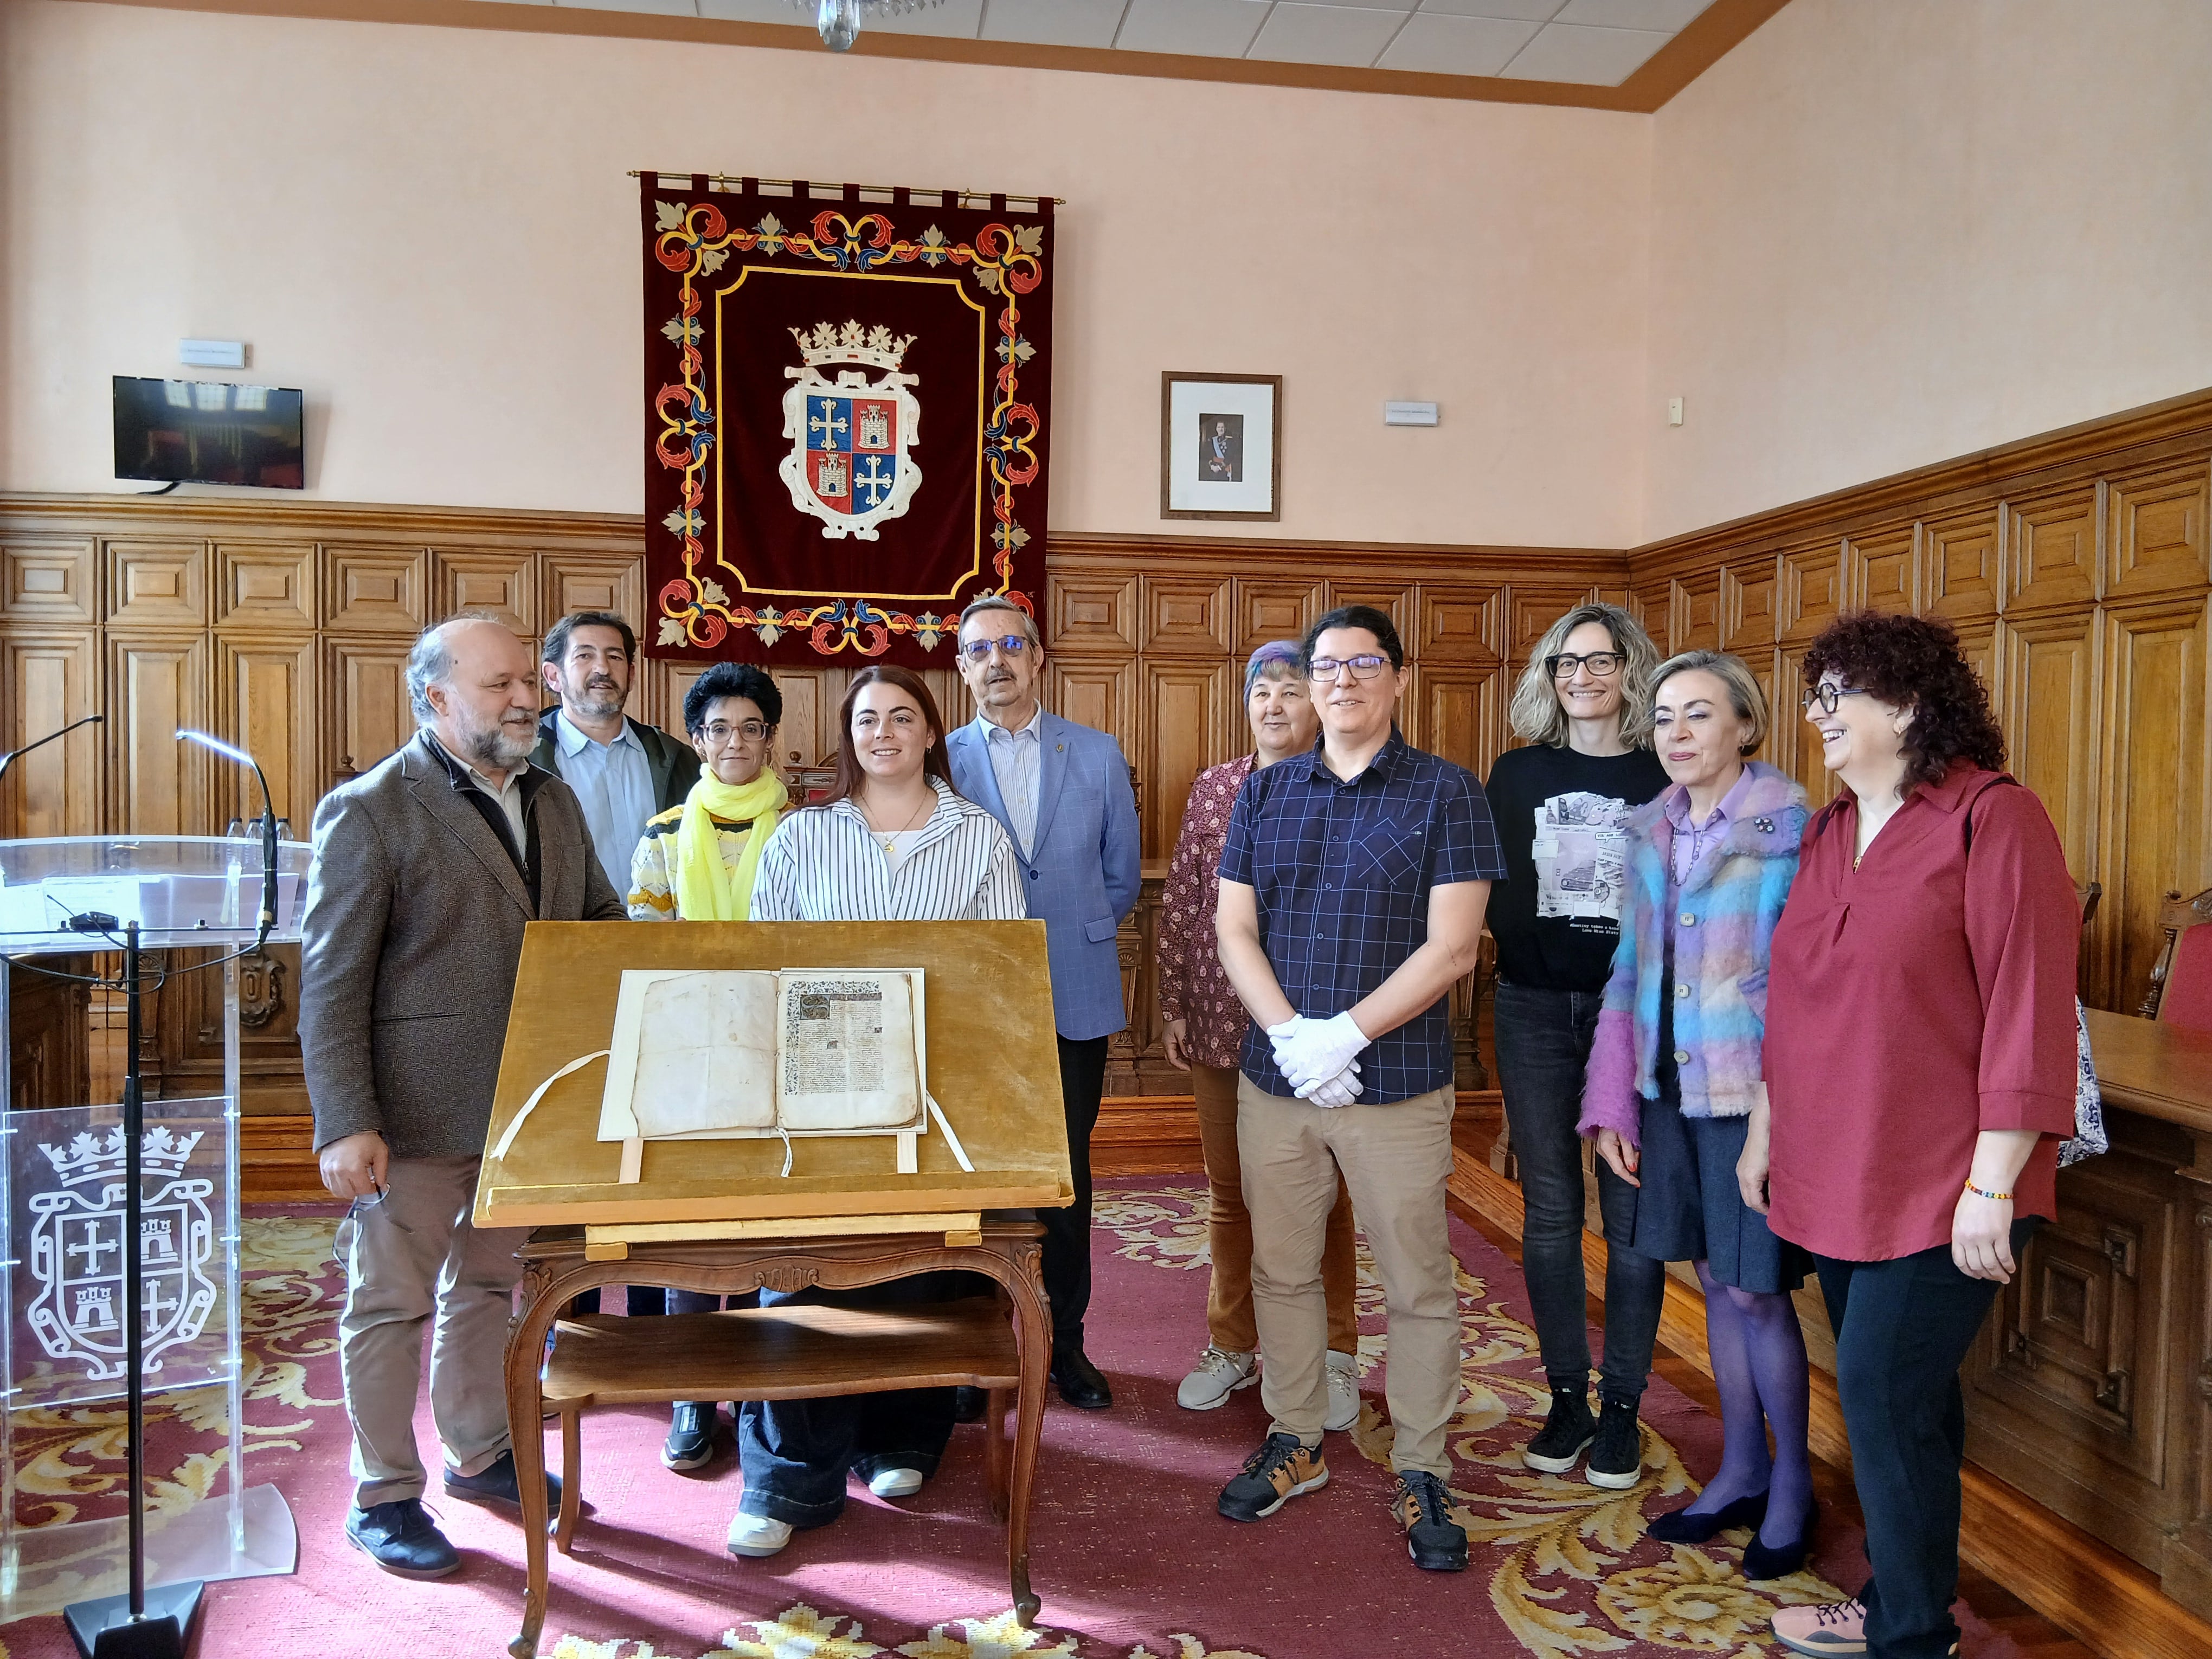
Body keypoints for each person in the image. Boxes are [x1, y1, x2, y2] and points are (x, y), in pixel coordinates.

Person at [1750, 613, 2079, 1659]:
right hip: (1837, 1166)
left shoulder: (1995, 817)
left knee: (1883, 1400)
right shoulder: (1829, 832)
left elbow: (2030, 1008)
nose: (1817, 717)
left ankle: (1907, 1635)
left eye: (1836, 694)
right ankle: (1909, 1600)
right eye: (1813, 698)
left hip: (1949, 1181)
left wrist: (1993, 1185)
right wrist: (1767, 1129)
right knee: (1911, 1402)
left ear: (1908, 701)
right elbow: (1793, 1001)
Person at [300, 614, 626, 1580]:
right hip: (411, 1117)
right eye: (501, 685)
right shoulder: (370, 810)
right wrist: (344, 1118)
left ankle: (479, 1454)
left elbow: (597, 919)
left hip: (530, 1110)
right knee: (391, 1305)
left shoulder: (553, 800)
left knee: (488, 1289)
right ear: (435, 697)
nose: (529, 696)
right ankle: (386, 1494)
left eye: (531, 679)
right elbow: (330, 980)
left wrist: (666, 954)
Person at [1212, 603, 1503, 1574]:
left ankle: (1421, 1461)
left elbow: (1454, 947)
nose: (1340, 680)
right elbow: (1235, 930)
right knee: (1282, 1270)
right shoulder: (1266, 793)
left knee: (1418, 1284)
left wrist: (1347, 1034)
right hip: (1279, 1082)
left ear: (1397, 678)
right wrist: (1293, 1036)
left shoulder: (1447, 793)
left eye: (1362, 663)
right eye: (1324, 665)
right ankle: (1297, 1438)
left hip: (1401, 1084)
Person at [725, 665, 1026, 1560]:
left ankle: (905, 1435)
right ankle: (789, 1476)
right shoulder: (802, 837)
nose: (884, 732)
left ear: (933, 732)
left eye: (902, 717)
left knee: (921, 1266)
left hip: (937, 1091)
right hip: (818, 1094)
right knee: (804, 1270)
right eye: (866, 720)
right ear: (847, 736)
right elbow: (760, 966)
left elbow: (1005, 972)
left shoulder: (980, 839)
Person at [1574, 651, 1816, 1575]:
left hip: (1749, 1093)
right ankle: (1741, 1472)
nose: (1676, 734)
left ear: (1745, 728)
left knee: (1757, 1288)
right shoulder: (1648, 832)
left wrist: (1776, 1112)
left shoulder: (1793, 832)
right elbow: (1629, 974)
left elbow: (1805, 992)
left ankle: (1792, 1483)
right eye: (1665, 718)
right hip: (1665, 1087)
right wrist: (1610, 1104)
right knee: (1713, 1282)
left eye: (1699, 716)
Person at [1482, 601, 1671, 1488]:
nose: (1581, 677)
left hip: (1631, 1014)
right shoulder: (1516, 772)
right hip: (1530, 1008)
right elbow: (1484, 891)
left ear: (1631, 671)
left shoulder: (1664, 773)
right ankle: (1567, 1396)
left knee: (1630, 1209)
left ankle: (1624, 1405)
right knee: (1551, 1207)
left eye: (1599, 662)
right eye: (1566, 663)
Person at [944, 594, 1140, 1410]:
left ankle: (1069, 1344)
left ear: (1039, 659)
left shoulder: (1095, 754)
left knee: (1064, 1176)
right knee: (971, 1178)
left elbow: (1122, 876)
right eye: (979, 649)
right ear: (961, 667)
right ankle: (973, 1347)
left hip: (1073, 988)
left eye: (1012, 645)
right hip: (969, 999)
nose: (997, 661)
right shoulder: (938, 756)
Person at [1160, 641, 1363, 1429]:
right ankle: (1232, 1343)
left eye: (1290, 690)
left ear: (1318, 703)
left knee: (1326, 1196)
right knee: (1231, 1193)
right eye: (1262, 693)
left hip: (1316, 1029)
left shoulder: (1351, 788)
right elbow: (1183, 899)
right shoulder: (1215, 791)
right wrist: (1174, 1000)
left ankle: (1336, 1354)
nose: (1275, 705)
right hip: (1220, 1021)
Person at [626, 659, 788, 1472]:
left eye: (750, 728)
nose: (734, 741)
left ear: (771, 740)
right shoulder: (660, 834)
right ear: (695, 740)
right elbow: (645, 945)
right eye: (718, 728)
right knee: (694, 1218)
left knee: (773, 1218)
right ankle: (694, 1390)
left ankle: (763, 1382)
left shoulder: (805, 826)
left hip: (785, 1048)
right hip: (690, 1050)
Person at [530, 609, 700, 894]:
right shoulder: (523, 762)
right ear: (554, 676)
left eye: (615, 657)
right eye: (585, 656)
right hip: (567, 934)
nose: (603, 669)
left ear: (631, 675)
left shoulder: (676, 759)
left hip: (662, 932)